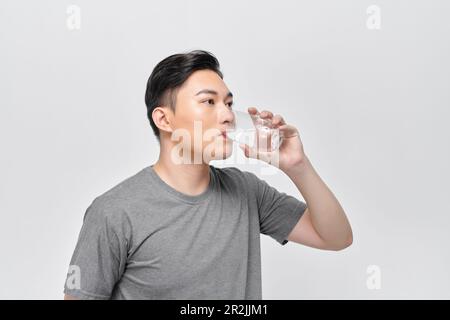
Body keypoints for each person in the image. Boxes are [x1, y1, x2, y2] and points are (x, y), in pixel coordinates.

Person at [63, 50, 353, 300]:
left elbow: (336, 238)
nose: (227, 115)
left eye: (228, 103)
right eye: (209, 102)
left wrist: (297, 166)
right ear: (164, 119)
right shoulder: (114, 212)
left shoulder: (246, 191)